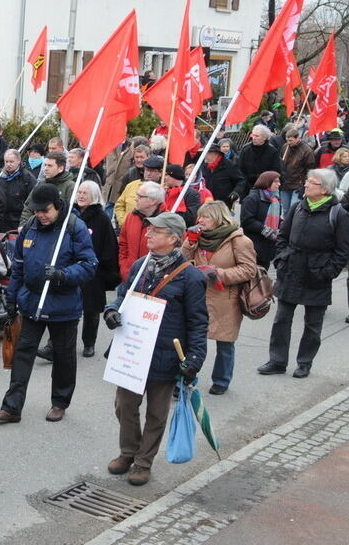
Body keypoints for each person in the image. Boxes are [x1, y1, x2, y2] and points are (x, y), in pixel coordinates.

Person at [104, 212, 207, 486]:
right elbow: (122, 296)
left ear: (173, 238)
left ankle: (143, 462)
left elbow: (198, 323)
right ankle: (128, 451)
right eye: (149, 230)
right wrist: (112, 311)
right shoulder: (140, 265)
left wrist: (195, 359)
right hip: (133, 350)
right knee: (124, 405)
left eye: (156, 231)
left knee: (156, 412)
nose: (148, 234)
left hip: (164, 354)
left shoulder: (191, 278)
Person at [0, 184, 98, 424]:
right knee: (22, 354)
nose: (41, 215)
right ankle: (12, 407)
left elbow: (89, 265)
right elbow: (18, 266)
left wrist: (62, 274)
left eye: (45, 210)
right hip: (32, 303)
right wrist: (12, 297)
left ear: (57, 206)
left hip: (63, 306)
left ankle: (60, 402)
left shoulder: (74, 228)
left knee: (63, 357)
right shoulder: (29, 228)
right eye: (37, 211)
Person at [257, 169, 349, 379]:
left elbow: (343, 251)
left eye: (312, 182)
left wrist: (328, 272)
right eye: (307, 181)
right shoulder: (298, 207)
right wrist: (280, 259)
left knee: (313, 325)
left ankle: (304, 362)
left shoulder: (339, 214)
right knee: (281, 319)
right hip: (291, 270)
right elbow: (283, 236)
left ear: (324, 190)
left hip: (318, 274)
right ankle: (277, 360)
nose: (306, 185)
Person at [181, 201, 258, 395]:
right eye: (199, 216)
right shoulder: (198, 236)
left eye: (205, 216)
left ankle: (222, 380)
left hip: (226, 299)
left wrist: (220, 273)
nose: (200, 220)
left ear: (218, 218)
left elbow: (249, 270)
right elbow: (182, 261)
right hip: (198, 296)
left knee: (225, 342)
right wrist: (189, 242)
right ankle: (185, 378)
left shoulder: (239, 241)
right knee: (190, 340)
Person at [73, 181, 120, 358]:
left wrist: (104, 271)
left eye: (85, 193)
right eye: (79, 192)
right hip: (72, 267)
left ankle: (89, 343)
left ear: (93, 196)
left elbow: (108, 246)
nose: (81, 195)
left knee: (91, 310)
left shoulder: (101, 218)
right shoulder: (72, 214)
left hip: (93, 271)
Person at [118, 181, 165, 280]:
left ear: (152, 201)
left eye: (140, 196)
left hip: (153, 280)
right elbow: (123, 244)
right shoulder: (131, 217)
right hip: (129, 276)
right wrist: (124, 268)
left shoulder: (166, 221)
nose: (135, 199)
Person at [20, 151, 75, 227]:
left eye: (50, 166)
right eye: (45, 165)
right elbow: (28, 206)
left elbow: (71, 212)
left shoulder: (70, 186)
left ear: (60, 168)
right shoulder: (41, 183)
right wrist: (23, 225)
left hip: (58, 229)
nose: (45, 169)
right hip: (37, 227)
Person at [240, 171, 282, 269]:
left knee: (263, 275)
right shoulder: (252, 198)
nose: (279, 184)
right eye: (275, 181)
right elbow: (247, 220)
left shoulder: (275, 200)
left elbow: (277, 219)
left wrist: (283, 225)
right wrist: (264, 229)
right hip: (253, 244)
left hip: (268, 244)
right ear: (267, 182)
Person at [114, 156, 164, 228]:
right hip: (129, 227)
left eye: (152, 171)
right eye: (147, 170)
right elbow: (119, 205)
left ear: (160, 173)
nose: (148, 173)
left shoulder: (163, 190)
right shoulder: (132, 185)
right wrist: (123, 221)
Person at [0, 148, 37, 232]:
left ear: (18, 161)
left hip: (17, 222)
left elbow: (32, 201)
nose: (8, 164)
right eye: (6, 162)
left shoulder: (28, 178)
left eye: (11, 162)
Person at [280, 126, 315, 215]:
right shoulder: (285, 147)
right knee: (285, 209)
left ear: (297, 138)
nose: (288, 143)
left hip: (298, 185)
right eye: (287, 140)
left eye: (291, 140)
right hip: (285, 184)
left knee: (294, 208)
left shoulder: (306, 150)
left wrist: (305, 185)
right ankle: (286, 227)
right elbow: (280, 163)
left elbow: (310, 169)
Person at [237, 125, 284, 191]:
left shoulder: (272, 151)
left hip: (266, 187)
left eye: (257, 136)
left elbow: (276, 171)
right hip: (247, 187)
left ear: (264, 138)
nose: (254, 138)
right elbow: (240, 170)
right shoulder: (245, 150)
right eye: (253, 135)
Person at [200, 142, 245, 206]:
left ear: (215, 154)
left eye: (206, 153)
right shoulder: (204, 165)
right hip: (208, 201)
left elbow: (241, 181)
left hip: (224, 202)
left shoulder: (229, 165)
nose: (204, 155)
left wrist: (236, 192)